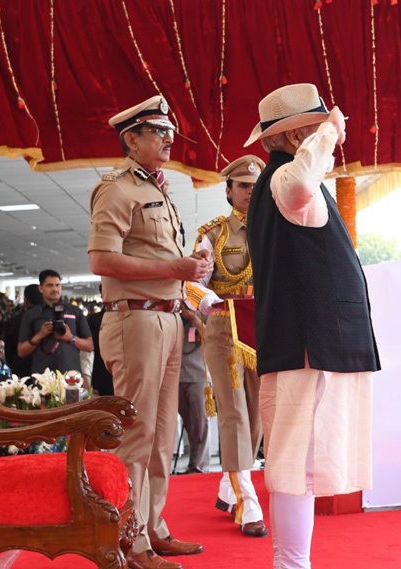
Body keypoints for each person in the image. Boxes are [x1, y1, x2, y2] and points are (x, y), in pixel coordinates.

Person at [244, 83, 380, 569]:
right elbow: (302, 185)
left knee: (294, 464)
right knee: (295, 465)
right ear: (295, 135)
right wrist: (324, 136)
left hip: (306, 341)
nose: (333, 136)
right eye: (317, 126)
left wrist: (319, 137)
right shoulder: (288, 176)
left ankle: (291, 562)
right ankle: (291, 563)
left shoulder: (282, 177)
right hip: (309, 343)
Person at [88, 95, 212, 569]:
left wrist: (188, 272)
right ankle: (130, 542)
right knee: (137, 435)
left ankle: (153, 527)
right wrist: (175, 267)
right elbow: (102, 260)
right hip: (135, 320)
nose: (167, 140)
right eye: (157, 132)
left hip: (167, 317)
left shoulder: (158, 189)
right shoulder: (116, 189)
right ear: (131, 139)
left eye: (169, 132)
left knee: (163, 434)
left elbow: (158, 259)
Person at [184, 155, 268, 537]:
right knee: (234, 412)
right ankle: (247, 499)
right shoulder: (214, 234)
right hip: (224, 327)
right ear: (229, 192)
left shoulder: (277, 229)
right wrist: (208, 301)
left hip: (265, 329)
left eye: (256, 186)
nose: (250, 192)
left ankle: (229, 482)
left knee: (258, 413)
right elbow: (189, 283)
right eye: (243, 186)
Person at [17, 270, 93, 375]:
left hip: (71, 375)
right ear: (40, 288)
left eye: (57, 285)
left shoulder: (74, 311)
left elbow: (90, 346)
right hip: (43, 376)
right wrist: (40, 335)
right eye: (50, 285)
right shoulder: (31, 314)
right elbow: (21, 351)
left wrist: (71, 338)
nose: (55, 289)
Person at [176, 310, 210, 475]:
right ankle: (194, 462)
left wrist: (193, 318)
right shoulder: (175, 316)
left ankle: (199, 466)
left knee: (200, 422)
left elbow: (211, 337)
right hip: (177, 376)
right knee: (190, 424)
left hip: (199, 375)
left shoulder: (204, 313)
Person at [3, 283, 43, 379]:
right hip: (45, 370)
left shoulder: (13, 322)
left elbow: (8, 351)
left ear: (26, 300)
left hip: (21, 369)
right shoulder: (50, 320)